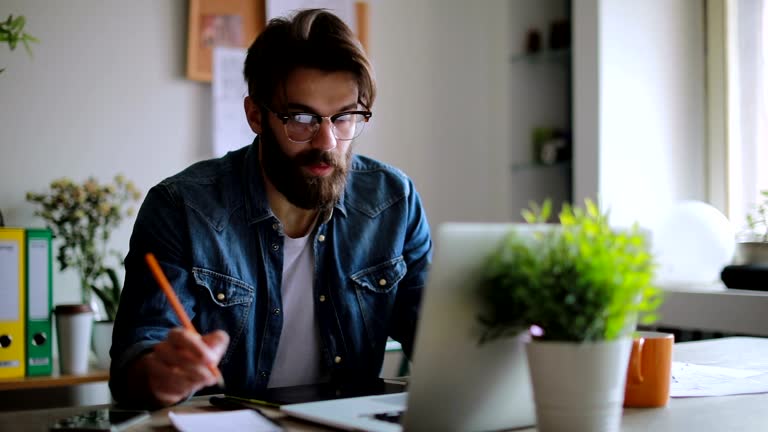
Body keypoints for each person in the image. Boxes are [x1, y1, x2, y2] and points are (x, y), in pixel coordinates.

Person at [109, 9, 432, 408]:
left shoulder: (392, 201)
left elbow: (437, 340)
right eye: (301, 118)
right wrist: (160, 375)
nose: (327, 141)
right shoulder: (182, 208)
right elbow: (135, 361)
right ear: (255, 115)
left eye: (345, 117)